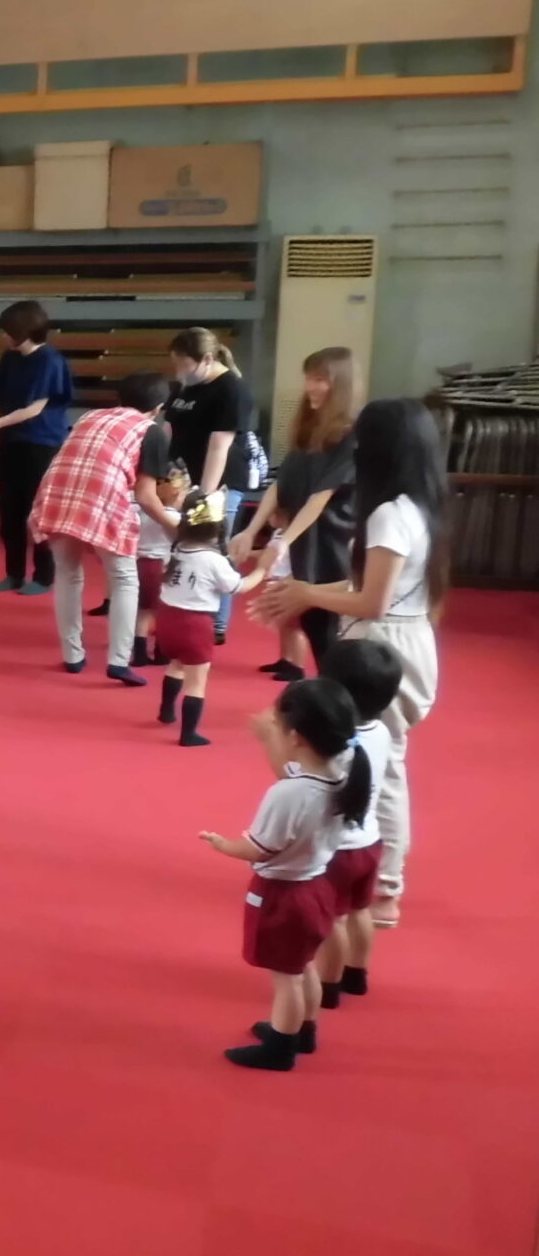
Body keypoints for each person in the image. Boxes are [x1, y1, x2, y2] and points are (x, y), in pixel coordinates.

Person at [255, 397, 446, 933]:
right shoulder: (417, 507)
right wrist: (305, 591)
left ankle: (383, 884)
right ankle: (363, 869)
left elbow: (371, 601)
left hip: (381, 644)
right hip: (402, 638)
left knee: (381, 766)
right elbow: (368, 585)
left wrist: (306, 593)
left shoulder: (388, 514)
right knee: (374, 760)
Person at [197, 679, 368, 1071]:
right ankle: (303, 1030)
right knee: (302, 966)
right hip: (318, 886)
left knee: (285, 977)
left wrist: (223, 845)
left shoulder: (289, 793)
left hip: (284, 895)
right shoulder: (342, 775)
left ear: (295, 737)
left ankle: (280, 1046)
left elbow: (260, 847)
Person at [26, 372, 169, 685]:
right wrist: (175, 526)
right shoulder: (152, 431)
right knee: (124, 577)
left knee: (67, 574)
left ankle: (72, 656)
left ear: (120, 398)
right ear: (158, 408)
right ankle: (119, 661)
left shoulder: (90, 416)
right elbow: (147, 496)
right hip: (102, 496)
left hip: (57, 491)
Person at [231, 348, 358, 680]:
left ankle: (337, 692)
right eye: (308, 379)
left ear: (339, 384)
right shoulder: (308, 429)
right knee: (307, 620)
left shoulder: (350, 437)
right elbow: (281, 483)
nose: (310, 387)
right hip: (302, 541)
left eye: (319, 379)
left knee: (325, 626)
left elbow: (320, 498)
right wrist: (251, 530)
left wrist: (283, 542)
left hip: (329, 545)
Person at [0, 301, 74, 593]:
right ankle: (14, 573)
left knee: (38, 513)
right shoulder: (10, 358)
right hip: (11, 442)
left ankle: (44, 576)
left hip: (42, 444)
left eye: (8, 331)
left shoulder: (50, 361)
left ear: (23, 332)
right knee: (10, 512)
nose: (3, 336)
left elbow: (34, 408)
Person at [316, 637, 400, 1003]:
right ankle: (356, 973)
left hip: (335, 849)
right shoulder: (381, 732)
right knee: (359, 910)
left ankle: (328, 985)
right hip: (368, 841)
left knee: (332, 919)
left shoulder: (333, 743)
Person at [165, 330, 262, 640]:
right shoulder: (187, 385)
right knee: (185, 547)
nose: (180, 370)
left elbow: (219, 445)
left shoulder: (232, 390)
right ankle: (185, 610)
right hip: (186, 477)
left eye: (184, 364)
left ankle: (216, 624)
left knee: (215, 551)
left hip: (220, 483)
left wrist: (204, 496)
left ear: (207, 359)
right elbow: (170, 428)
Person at [155, 499, 244, 747]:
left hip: (167, 618)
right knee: (197, 681)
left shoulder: (176, 551)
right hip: (196, 623)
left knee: (176, 665)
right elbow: (235, 586)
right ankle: (189, 733)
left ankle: (166, 710)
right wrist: (260, 572)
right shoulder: (214, 560)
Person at [132, 461, 191, 669]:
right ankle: (160, 651)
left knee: (143, 611)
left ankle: (139, 652)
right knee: (161, 612)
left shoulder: (140, 512)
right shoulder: (172, 517)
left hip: (139, 564)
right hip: (161, 567)